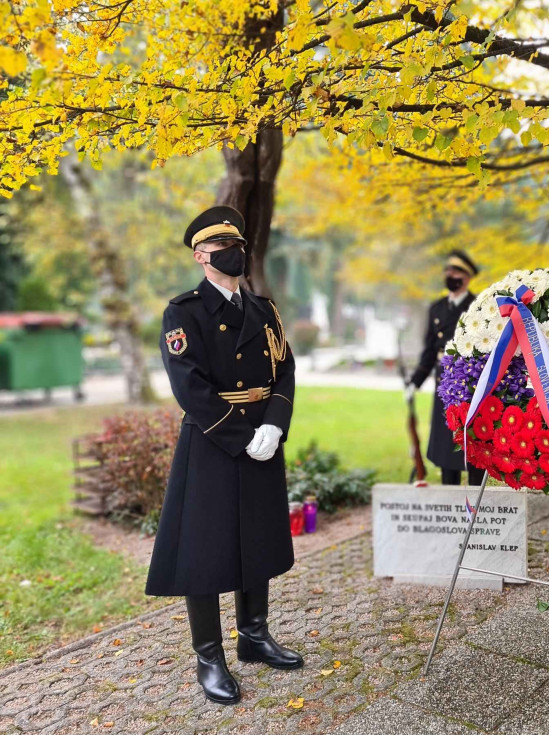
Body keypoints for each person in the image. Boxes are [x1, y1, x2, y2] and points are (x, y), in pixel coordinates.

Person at [145, 206, 303, 705]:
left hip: (263, 437)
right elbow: (189, 387)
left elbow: (286, 372)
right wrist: (242, 436)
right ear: (201, 255)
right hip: (214, 442)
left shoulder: (263, 309)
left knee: (256, 538)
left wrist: (274, 425)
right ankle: (209, 656)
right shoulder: (184, 312)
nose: (235, 256)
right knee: (207, 549)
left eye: (239, 247)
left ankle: (254, 636)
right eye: (223, 249)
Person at [405, 251, 483, 486]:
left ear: (467, 277)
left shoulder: (478, 307)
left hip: (469, 386)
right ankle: (450, 502)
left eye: (456, 272)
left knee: (472, 449)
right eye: (448, 271)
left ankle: (477, 506)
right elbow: (430, 350)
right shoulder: (437, 309)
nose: (450, 275)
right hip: (444, 387)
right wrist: (415, 382)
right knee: (447, 449)